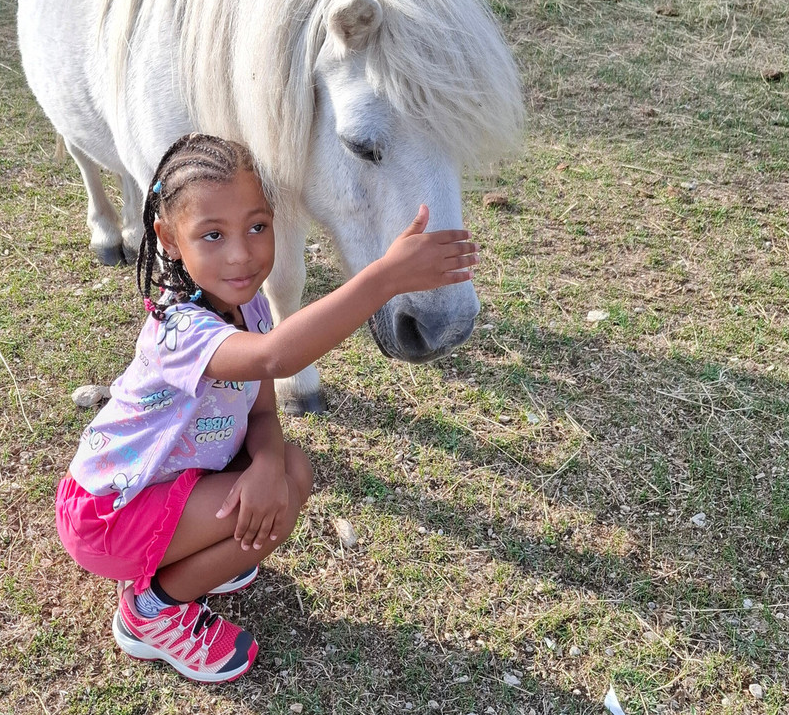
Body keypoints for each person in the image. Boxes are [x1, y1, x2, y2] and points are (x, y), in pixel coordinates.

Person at [55, 133, 480, 683]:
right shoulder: (179, 327)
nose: (242, 253)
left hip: (162, 487)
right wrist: (386, 277)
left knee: (287, 473)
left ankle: (189, 557)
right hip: (107, 515)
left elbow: (260, 413)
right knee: (277, 503)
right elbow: (277, 357)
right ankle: (152, 610)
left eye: (258, 226)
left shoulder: (247, 303)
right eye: (212, 234)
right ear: (168, 239)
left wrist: (263, 465)